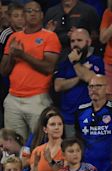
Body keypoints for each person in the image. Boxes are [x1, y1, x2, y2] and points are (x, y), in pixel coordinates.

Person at [0, 1, 60, 141]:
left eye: (36, 11)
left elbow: (48, 68)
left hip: (37, 98)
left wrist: (23, 55)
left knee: (39, 143)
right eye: (28, 11)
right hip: (13, 98)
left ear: (42, 15)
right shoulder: (14, 37)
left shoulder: (49, 37)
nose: (32, 13)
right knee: (13, 145)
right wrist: (13, 57)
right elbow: (3, 70)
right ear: (23, 15)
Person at [54, 28, 105, 137]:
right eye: (73, 41)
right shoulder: (65, 62)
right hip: (68, 117)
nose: (75, 44)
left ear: (88, 42)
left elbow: (93, 80)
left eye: (79, 40)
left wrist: (76, 63)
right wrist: (80, 76)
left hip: (89, 116)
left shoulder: (97, 61)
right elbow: (58, 86)